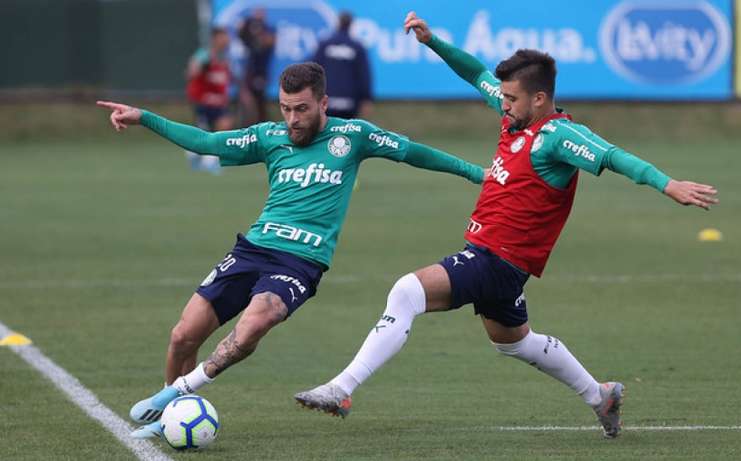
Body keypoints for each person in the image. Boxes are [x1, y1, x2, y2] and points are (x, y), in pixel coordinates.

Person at [294, 12, 719, 439]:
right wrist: (432, 41)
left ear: (538, 99)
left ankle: (342, 389)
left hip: (498, 259)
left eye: (511, 98)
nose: (503, 103)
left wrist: (668, 184)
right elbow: (475, 72)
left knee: (407, 292)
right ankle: (600, 395)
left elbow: (613, 156)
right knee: (512, 341)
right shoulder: (512, 114)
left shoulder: (558, 136)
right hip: (496, 259)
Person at [96, 61, 485, 439]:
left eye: (301, 109)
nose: (292, 119)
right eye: (285, 108)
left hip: (300, 262)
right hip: (252, 249)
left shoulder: (352, 136)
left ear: (323, 104)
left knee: (255, 322)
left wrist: (474, 173)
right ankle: (170, 416)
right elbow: (206, 142)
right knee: (183, 335)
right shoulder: (269, 137)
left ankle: (176, 392)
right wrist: (145, 117)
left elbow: (413, 152)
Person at [185, 27, 233, 174]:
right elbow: (191, 73)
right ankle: (195, 156)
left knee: (223, 126)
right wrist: (201, 67)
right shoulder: (204, 55)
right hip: (203, 102)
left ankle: (210, 161)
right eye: (223, 36)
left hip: (218, 103)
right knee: (203, 132)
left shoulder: (225, 57)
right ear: (215, 39)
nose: (226, 40)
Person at [311, 11, 373, 119]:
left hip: (327, 100)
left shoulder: (325, 44)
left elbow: (313, 70)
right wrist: (366, 98)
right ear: (351, 25)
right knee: (347, 132)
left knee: (326, 132)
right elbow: (364, 75)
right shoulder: (357, 47)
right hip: (350, 102)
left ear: (338, 23)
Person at [238, 8, 275, 125]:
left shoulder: (268, 32)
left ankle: (262, 125)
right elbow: (242, 34)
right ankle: (247, 126)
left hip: (260, 73)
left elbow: (269, 40)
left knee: (260, 101)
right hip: (250, 73)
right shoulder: (251, 38)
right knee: (247, 101)